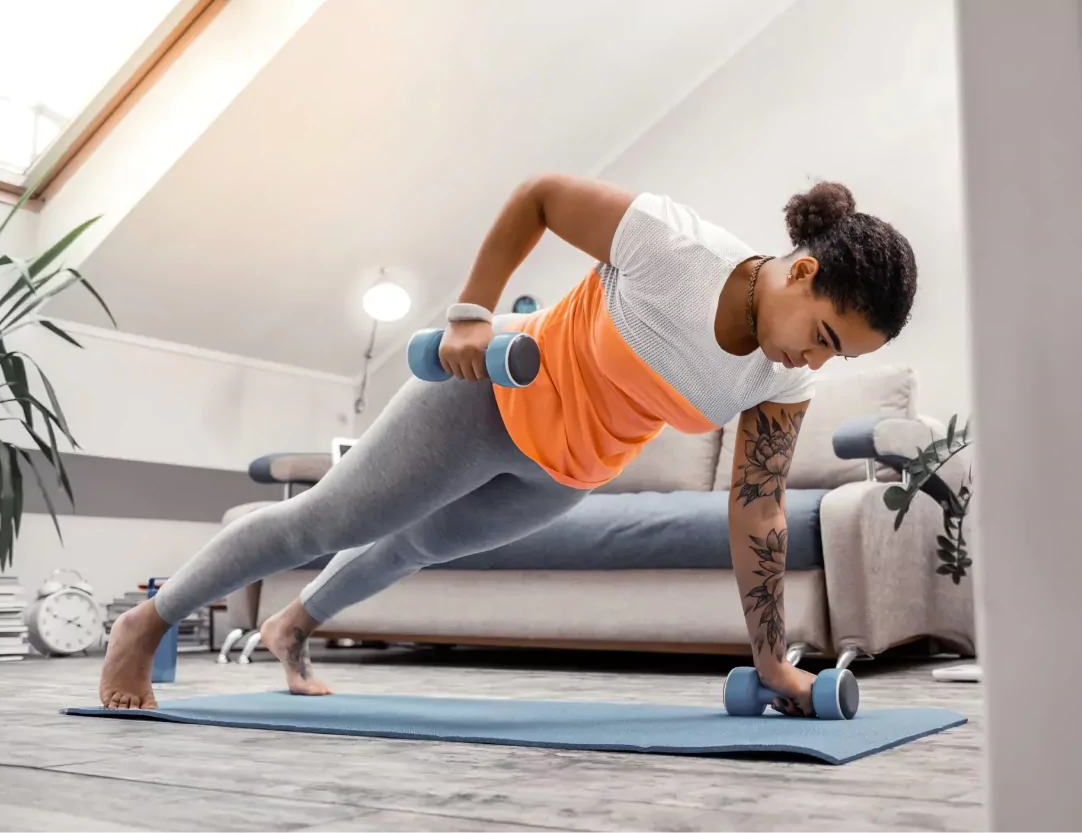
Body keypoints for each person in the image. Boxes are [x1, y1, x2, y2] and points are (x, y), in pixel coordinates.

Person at [99, 173, 916, 717]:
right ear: (802, 272)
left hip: (565, 472)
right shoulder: (675, 247)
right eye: (823, 338)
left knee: (415, 546)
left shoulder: (782, 380)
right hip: (489, 395)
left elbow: (759, 511)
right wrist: (470, 311)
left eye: (834, 356)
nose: (814, 362)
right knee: (324, 522)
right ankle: (145, 621)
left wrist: (772, 663)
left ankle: (292, 625)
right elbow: (542, 198)